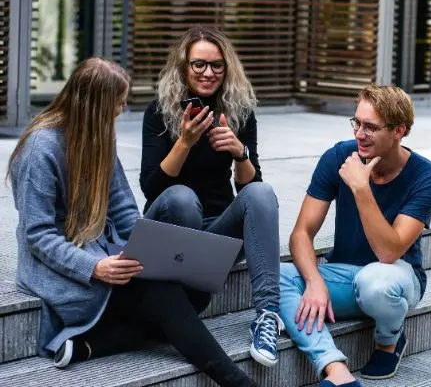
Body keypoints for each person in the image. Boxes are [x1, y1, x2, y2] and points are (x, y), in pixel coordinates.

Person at [8, 58, 257, 386]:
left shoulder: (99, 136)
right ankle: (236, 381)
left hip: (105, 254)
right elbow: (38, 235)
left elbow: (124, 210)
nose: (122, 110)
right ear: (95, 105)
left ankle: (92, 345)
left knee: (194, 293)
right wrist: (94, 268)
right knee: (164, 295)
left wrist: (144, 250)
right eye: (119, 103)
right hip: (61, 269)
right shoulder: (41, 149)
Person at [279, 85, 431, 386]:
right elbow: (301, 233)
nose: (359, 134)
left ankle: (388, 341)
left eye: (370, 127)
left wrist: (361, 187)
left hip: (396, 279)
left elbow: (389, 253)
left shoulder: (427, 177)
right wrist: (315, 282)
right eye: (356, 123)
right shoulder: (339, 156)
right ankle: (335, 369)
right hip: (343, 275)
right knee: (276, 276)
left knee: (376, 282)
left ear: (399, 131)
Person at [139, 26, 283, 367]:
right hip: (169, 230)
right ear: (184, 67)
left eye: (217, 65)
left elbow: (250, 191)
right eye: (199, 64)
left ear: (227, 67)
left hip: (216, 235)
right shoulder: (159, 111)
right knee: (182, 198)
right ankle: (182, 301)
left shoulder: (239, 110)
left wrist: (239, 152)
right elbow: (151, 188)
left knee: (262, 193)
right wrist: (185, 142)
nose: (208, 73)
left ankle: (267, 316)